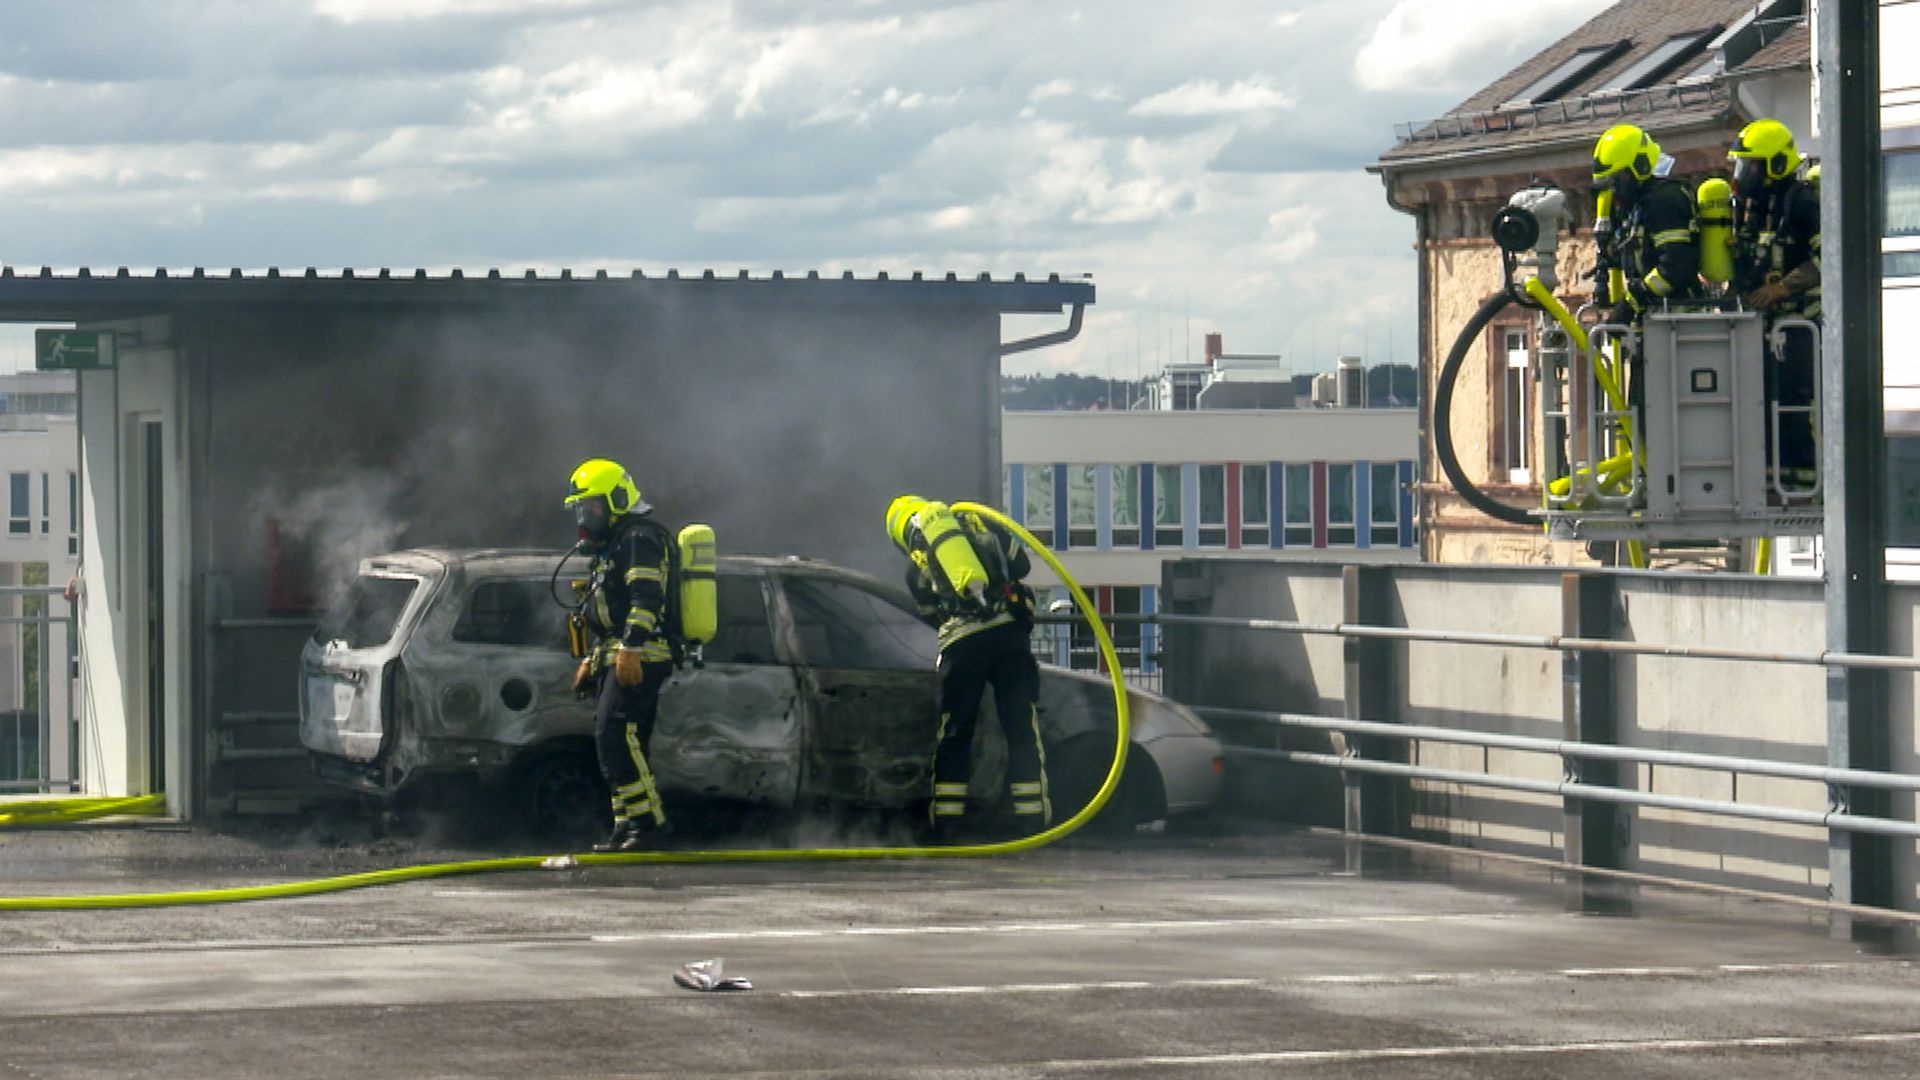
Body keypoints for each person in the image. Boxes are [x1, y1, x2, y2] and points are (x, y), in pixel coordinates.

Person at [886, 495, 1047, 842]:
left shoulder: (916, 568)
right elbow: (1022, 567)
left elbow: (930, 614)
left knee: (955, 732)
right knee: (1021, 728)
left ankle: (947, 823)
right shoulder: (982, 530)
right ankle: (1032, 820)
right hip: (1009, 638)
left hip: (963, 646)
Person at [564, 458, 677, 852]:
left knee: (614, 735)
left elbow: (646, 599)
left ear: (616, 498)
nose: (586, 516)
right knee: (624, 740)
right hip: (620, 651)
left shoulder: (639, 538)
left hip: (644, 652)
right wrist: (593, 659)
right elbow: (607, 615)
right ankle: (626, 823)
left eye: (592, 507)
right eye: (582, 509)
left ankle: (649, 825)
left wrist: (631, 648)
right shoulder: (615, 542)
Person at [1591, 123, 1702, 453]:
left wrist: (1630, 302)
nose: (1614, 191)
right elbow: (1637, 254)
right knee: (1641, 418)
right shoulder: (1640, 206)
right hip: (1653, 332)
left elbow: (1676, 266)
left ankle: (1661, 485)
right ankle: (1649, 481)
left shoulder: (1665, 201)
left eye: (1618, 181)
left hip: (1678, 330)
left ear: (1639, 168)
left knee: (1662, 421)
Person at [1727, 117, 1821, 484]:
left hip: (1802, 324)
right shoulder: (1758, 207)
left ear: (1775, 164)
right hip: (1766, 326)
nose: (1744, 174)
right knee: (1764, 401)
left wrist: (1783, 289)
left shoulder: (1802, 203)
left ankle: (1803, 474)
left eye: (1750, 165)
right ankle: (1772, 474)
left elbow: (1828, 257)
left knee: (1797, 401)